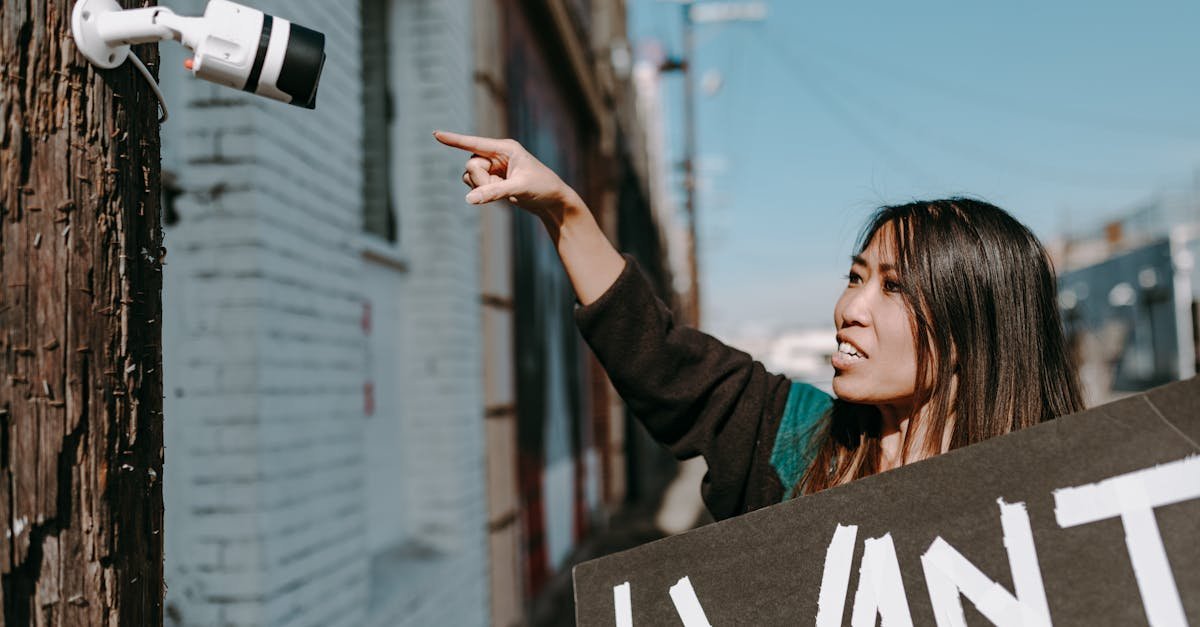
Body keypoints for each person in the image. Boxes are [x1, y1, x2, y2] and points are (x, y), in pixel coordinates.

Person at [433, 130, 1085, 521]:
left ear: (975, 334)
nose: (850, 308)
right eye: (856, 277)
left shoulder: (1069, 503)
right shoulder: (798, 441)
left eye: (894, 288)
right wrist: (562, 211)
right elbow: (662, 362)